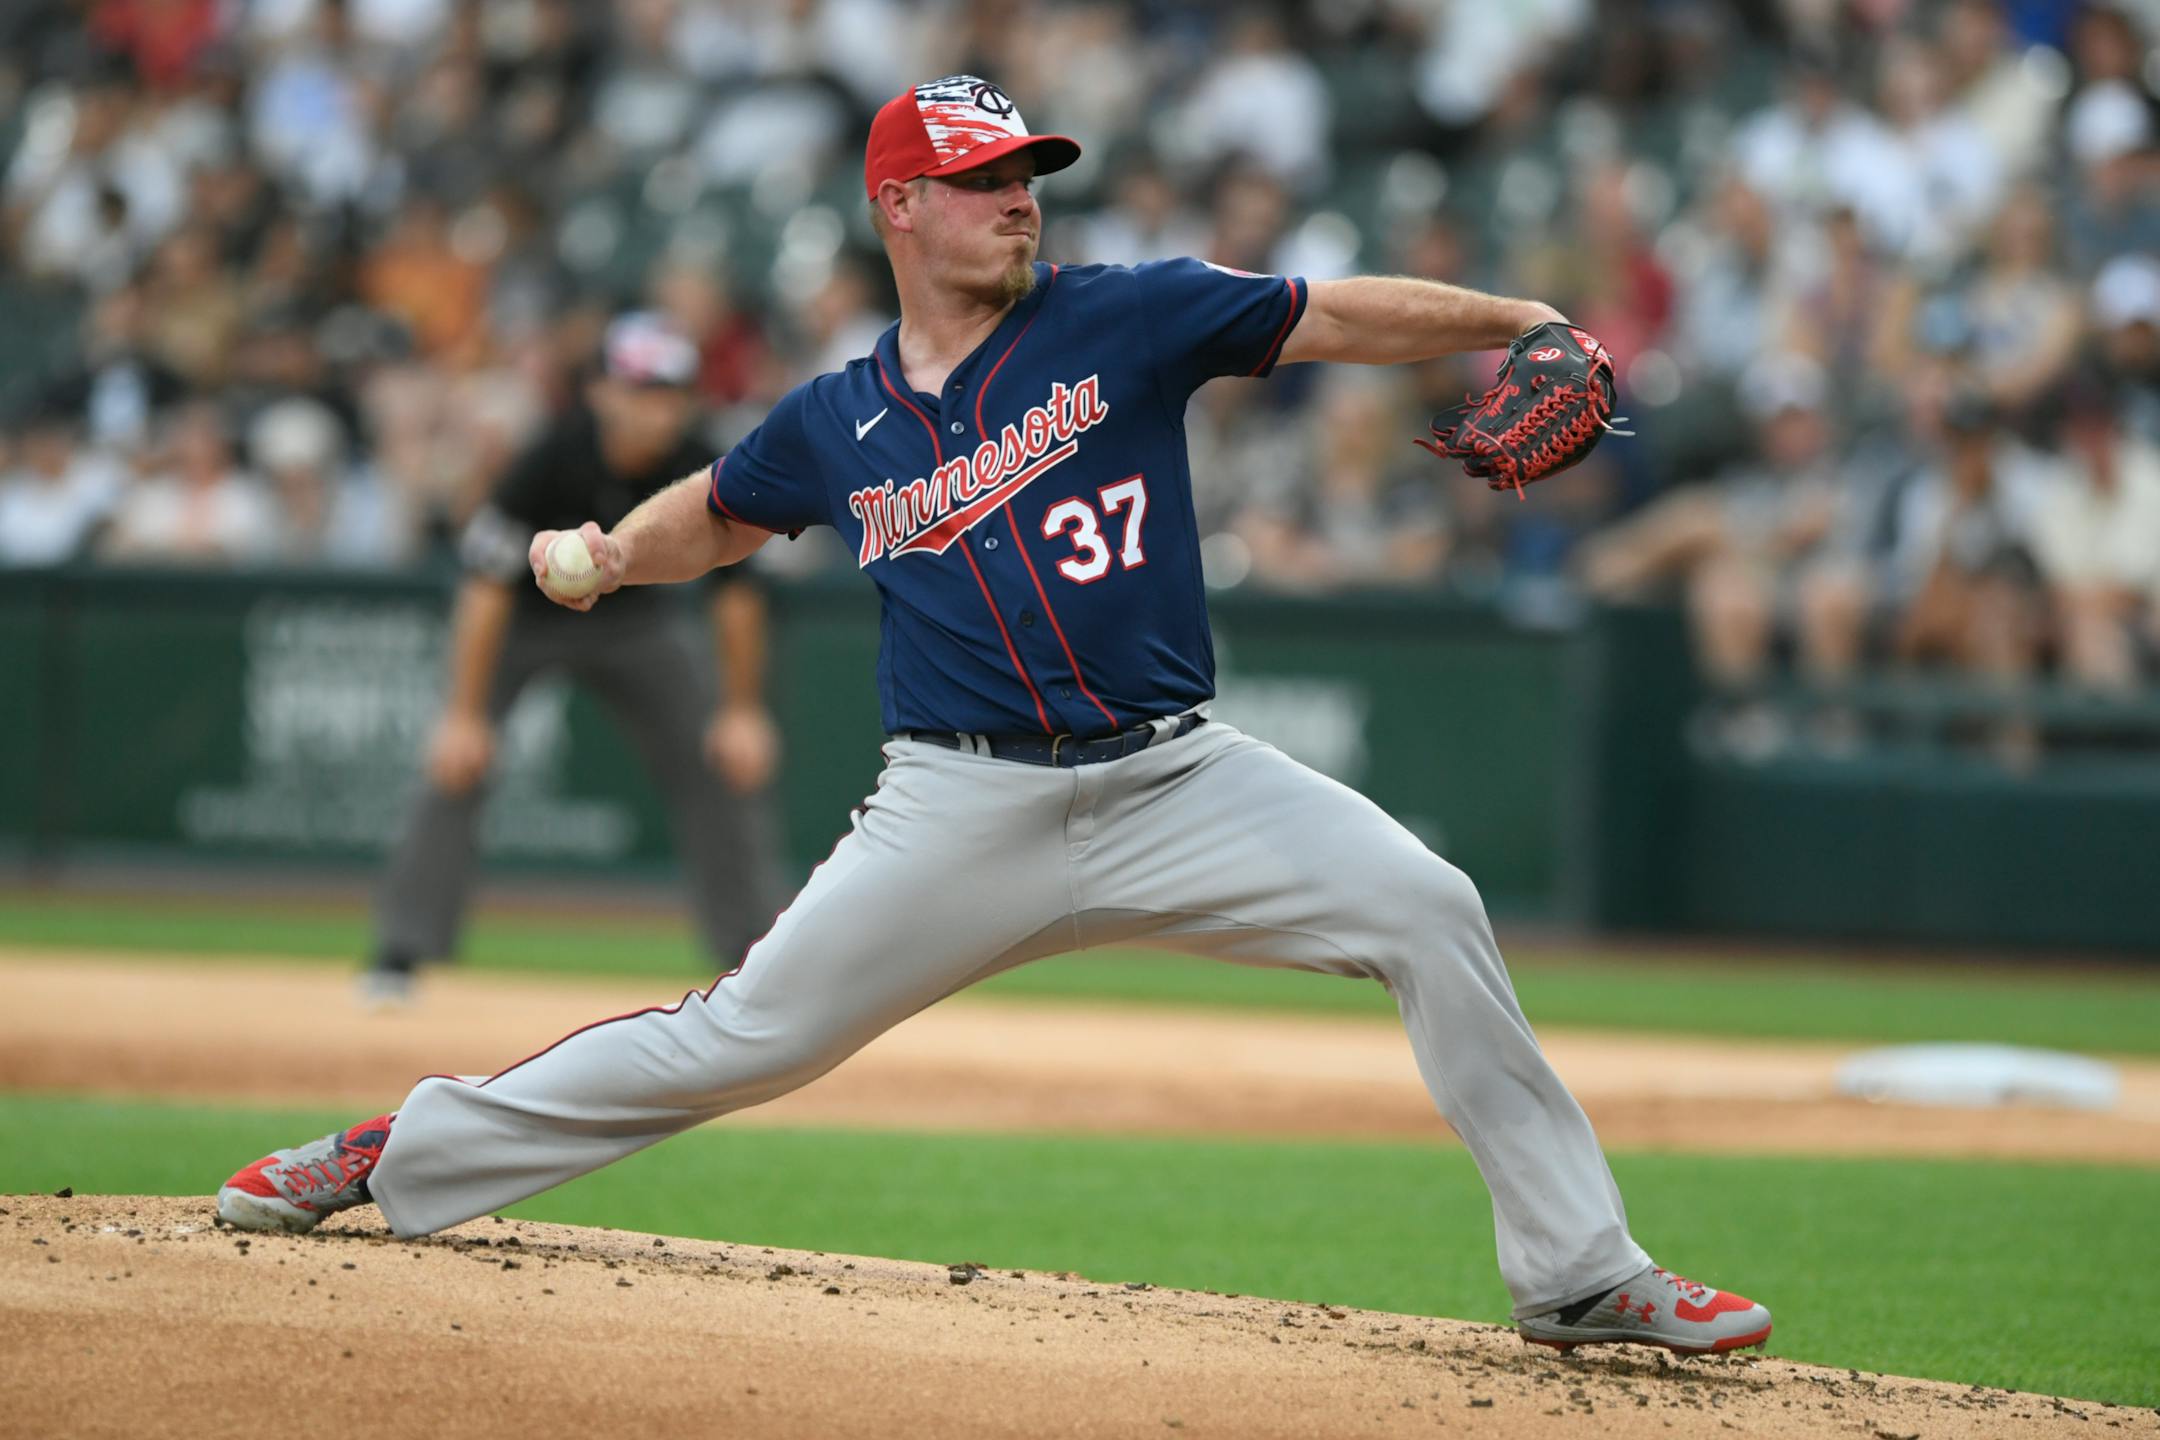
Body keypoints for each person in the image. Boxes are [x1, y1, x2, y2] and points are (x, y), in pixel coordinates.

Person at [218, 76, 1772, 1358]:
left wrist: (1513, 311)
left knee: (1429, 907)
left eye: (1028, 173)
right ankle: (397, 1151)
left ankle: (1578, 1271)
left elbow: (1337, 315)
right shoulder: (841, 417)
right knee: (737, 1041)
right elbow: (725, 507)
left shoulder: (1126, 318)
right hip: (959, 810)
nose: (1020, 196)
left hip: (1181, 779)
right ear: (899, 205)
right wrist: (619, 551)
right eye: (980, 178)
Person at [358, 311, 786, 1004]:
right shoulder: (551, 454)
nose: (658, 408)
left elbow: (738, 596)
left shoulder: (701, 460)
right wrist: (464, 714)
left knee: (718, 762)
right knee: (453, 764)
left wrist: (742, 711)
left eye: (671, 392)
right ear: (602, 392)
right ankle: (401, 952)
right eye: (643, 389)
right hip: (527, 621)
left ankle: (755, 961)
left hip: (639, 626)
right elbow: (485, 588)